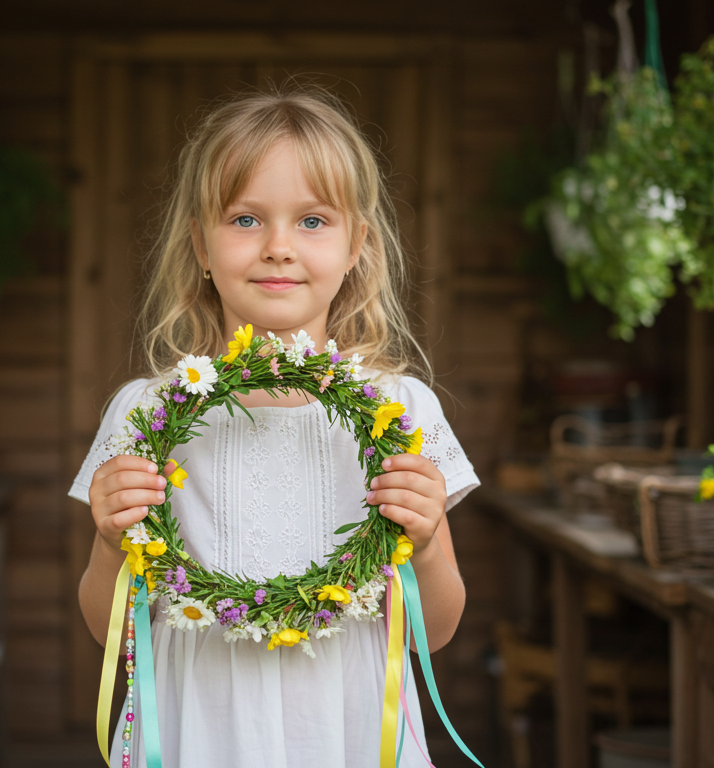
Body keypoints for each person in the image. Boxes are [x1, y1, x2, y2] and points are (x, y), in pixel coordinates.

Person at [71, 85, 480, 767]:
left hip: (348, 730)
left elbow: (432, 633)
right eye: (245, 219)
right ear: (201, 245)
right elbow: (107, 630)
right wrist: (111, 541)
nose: (279, 248)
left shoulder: (400, 410)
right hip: (197, 730)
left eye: (313, 221)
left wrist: (428, 542)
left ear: (356, 246)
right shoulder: (148, 413)